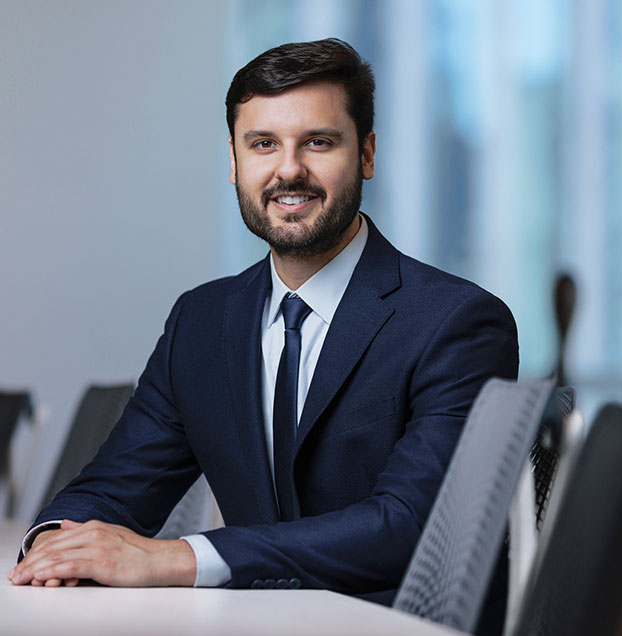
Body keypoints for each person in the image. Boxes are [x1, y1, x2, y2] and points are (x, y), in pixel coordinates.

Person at [8, 38, 517, 632]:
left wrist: (179, 557)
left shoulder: (456, 321)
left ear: (368, 154)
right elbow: (112, 489)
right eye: (263, 144)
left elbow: (412, 526)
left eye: (318, 142)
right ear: (234, 162)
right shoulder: (200, 321)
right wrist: (57, 546)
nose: (288, 169)